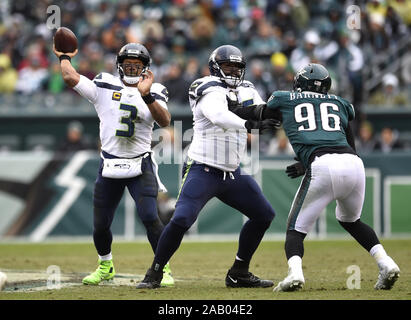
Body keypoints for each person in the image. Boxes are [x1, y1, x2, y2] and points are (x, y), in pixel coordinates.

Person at [136, 45, 279, 289]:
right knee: (181, 219)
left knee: (264, 215)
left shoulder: (247, 88)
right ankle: (155, 272)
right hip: (202, 168)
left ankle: (239, 272)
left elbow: (260, 108)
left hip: (232, 172)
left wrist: (275, 112)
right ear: (215, 67)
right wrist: (250, 124)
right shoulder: (206, 87)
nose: (233, 72)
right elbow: (219, 116)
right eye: (227, 66)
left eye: (237, 67)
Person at [263, 63, 400, 292]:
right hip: (354, 163)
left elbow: (268, 113)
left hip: (323, 165)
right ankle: (386, 263)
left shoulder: (286, 98)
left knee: (295, 229)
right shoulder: (340, 103)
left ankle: (295, 273)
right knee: (351, 221)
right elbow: (348, 142)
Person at [53, 42, 175, 287]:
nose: (131, 69)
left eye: (137, 65)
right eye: (127, 65)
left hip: (140, 164)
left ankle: (163, 268)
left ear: (146, 68)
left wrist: (146, 94)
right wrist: (64, 56)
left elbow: (164, 120)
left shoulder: (155, 88)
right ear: (119, 66)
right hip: (110, 164)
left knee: (151, 217)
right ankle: (105, 265)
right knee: (100, 225)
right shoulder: (104, 84)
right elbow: (69, 77)